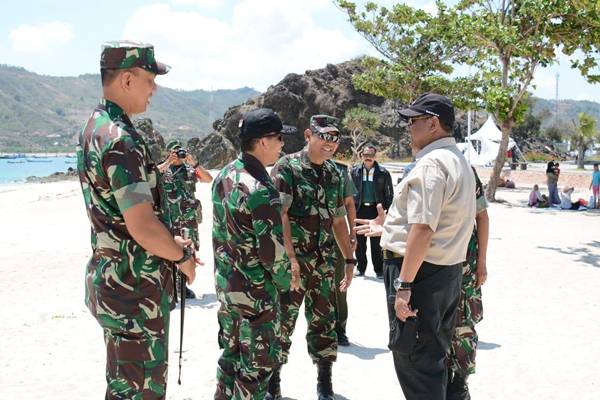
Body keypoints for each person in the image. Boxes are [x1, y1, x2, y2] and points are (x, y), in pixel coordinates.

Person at [76, 40, 198, 399]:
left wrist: (173, 243)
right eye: (150, 79)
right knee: (138, 391)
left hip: (116, 283)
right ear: (127, 80)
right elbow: (142, 227)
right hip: (133, 291)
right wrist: (182, 259)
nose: (155, 88)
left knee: (123, 385)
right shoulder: (120, 140)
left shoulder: (96, 127)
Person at [355, 93, 476, 400]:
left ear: (433, 124)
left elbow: (423, 229)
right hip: (446, 273)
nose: (408, 128)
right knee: (435, 356)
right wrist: (388, 227)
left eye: (413, 121)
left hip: (419, 275)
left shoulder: (432, 164)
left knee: (416, 361)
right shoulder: (458, 161)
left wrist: (404, 286)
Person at [269, 115, 356, 400]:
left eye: (335, 139)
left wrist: (350, 260)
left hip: (323, 263)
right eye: (324, 137)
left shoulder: (335, 173)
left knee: (324, 322)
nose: (329, 144)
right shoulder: (287, 167)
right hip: (294, 264)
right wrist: (291, 259)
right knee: (283, 322)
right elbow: (280, 215)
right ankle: (273, 384)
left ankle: (324, 384)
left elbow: (338, 219)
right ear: (309, 134)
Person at [211, 108, 294, 400]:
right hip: (256, 297)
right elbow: (272, 254)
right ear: (262, 142)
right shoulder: (261, 189)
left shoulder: (224, 175)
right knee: (256, 371)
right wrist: (286, 282)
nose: (283, 144)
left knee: (229, 360)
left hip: (226, 289)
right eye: (280, 138)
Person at [447, 168, 490, 400]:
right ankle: (443, 377)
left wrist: (481, 262)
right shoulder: (423, 167)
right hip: (435, 261)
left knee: (465, 322)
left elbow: (482, 216)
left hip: (467, 260)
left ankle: (461, 381)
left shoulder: (467, 172)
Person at [159, 140, 213, 299]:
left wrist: (194, 163)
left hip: (189, 218)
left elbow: (208, 179)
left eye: (179, 152)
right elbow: (150, 175)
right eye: (174, 152)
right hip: (170, 219)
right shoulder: (164, 170)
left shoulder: (190, 170)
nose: (178, 156)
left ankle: (182, 286)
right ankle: (171, 287)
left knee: (188, 251)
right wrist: (168, 161)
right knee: (170, 252)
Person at [350, 145, 394, 278]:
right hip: (359, 209)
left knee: (376, 243)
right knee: (360, 242)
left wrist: (388, 212)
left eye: (371, 155)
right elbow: (349, 192)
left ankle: (379, 270)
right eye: (365, 155)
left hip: (377, 210)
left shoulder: (383, 173)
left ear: (375, 156)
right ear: (361, 156)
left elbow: (389, 193)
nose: (368, 158)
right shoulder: (355, 172)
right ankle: (361, 268)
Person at [333, 160, 358, 346]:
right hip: (304, 237)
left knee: (339, 284)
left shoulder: (339, 170)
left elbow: (349, 203)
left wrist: (353, 233)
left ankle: (340, 329)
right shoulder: (293, 165)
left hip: (336, 236)